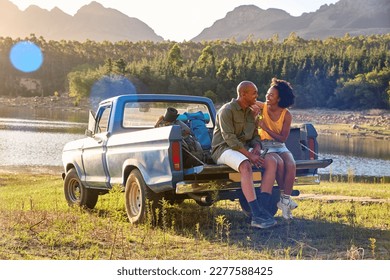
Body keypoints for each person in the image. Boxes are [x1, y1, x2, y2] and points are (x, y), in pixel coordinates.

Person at [211, 81, 277, 229]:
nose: (257, 96)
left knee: (272, 161)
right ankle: (256, 215)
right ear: (243, 94)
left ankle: (263, 209)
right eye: (254, 93)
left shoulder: (250, 112)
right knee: (245, 166)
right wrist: (249, 155)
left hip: (243, 149)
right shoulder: (226, 110)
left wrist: (257, 146)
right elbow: (230, 139)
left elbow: (254, 135)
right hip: (223, 149)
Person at [254, 78, 297, 219]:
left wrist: (265, 127)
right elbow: (246, 102)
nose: (267, 96)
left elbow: (283, 138)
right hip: (265, 145)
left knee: (291, 163)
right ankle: (284, 200)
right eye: (267, 93)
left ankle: (285, 200)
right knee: (279, 163)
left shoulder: (286, 115)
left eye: (271, 95)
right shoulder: (262, 107)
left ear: (279, 99)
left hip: (279, 144)